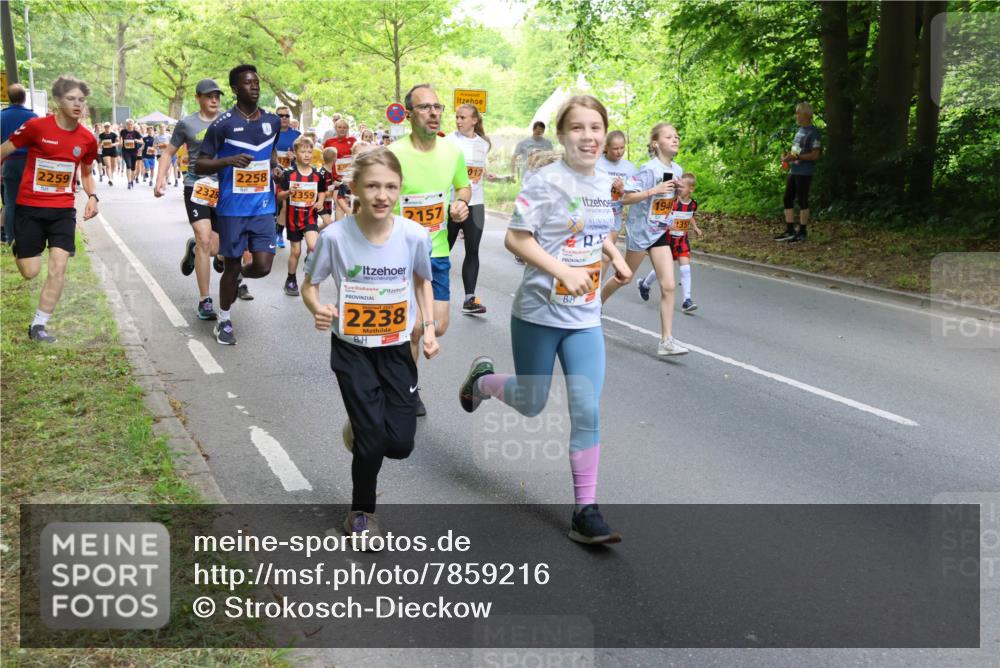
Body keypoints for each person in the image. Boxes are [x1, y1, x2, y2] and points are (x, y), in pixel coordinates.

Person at [459, 95, 631, 544]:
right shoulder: (546, 181)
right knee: (532, 403)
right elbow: (517, 240)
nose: (589, 136)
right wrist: (562, 270)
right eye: (578, 128)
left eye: (596, 127)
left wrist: (613, 255)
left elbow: (598, 228)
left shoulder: (609, 183)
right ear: (562, 134)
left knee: (587, 408)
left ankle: (585, 511)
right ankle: (481, 383)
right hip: (538, 310)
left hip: (585, 315)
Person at [302, 148, 437, 544]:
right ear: (355, 188)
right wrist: (318, 308)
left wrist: (427, 328)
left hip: (396, 349)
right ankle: (362, 513)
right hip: (352, 348)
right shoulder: (334, 237)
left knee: (399, 444)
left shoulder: (414, 235)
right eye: (373, 185)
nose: (382, 195)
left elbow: (421, 281)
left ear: (400, 189)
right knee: (374, 440)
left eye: (391, 186)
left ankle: (361, 430)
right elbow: (311, 285)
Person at [389, 83, 471, 416]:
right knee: (415, 328)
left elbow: (463, 186)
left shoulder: (452, 152)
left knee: (438, 323)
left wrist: (460, 204)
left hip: (436, 252)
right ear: (410, 113)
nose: (434, 113)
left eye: (437, 107)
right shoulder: (393, 154)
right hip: (397, 253)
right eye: (425, 107)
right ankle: (407, 388)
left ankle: (401, 376)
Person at [0, 75, 100, 342]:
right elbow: (5, 150)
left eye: (81, 99)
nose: (77, 104)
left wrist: (92, 196)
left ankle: (39, 326)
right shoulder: (35, 127)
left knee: (59, 265)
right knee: (30, 272)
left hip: (62, 210)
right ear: (57, 101)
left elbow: (87, 173)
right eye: (71, 99)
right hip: (30, 208)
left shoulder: (88, 139)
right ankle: (18, 246)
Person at [193, 64, 280, 346]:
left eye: (256, 82)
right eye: (247, 83)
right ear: (235, 88)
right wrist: (227, 161)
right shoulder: (223, 124)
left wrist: (275, 167)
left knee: (264, 266)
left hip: (264, 206)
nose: (254, 86)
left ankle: (238, 275)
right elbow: (201, 163)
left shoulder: (272, 121)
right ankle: (224, 320)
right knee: (231, 266)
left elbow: (271, 152)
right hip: (232, 208)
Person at [601, 122, 689, 356]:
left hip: (659, 232)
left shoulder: (677, 169)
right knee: (624, 277)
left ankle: (666, 341)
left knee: (669, 286)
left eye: (677, 136)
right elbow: (625, 199)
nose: (675, 139)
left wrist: (677, 193)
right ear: (655, 143)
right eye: (669, 136)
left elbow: (669, 201)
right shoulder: (648, 170)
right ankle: (594, 306)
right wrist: (654, 190)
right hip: (640, 232)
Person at [157, 78, 230, 320]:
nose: (214, 100)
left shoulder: (228, 121)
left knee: (217, 247)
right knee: (204, 239)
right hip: (196, 186)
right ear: (198, 97)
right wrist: (161, 179)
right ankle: (205, 300)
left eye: (217, 96)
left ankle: (194, 249)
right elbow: (169, 152)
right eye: (209, 96)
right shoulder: (187, 123)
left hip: (224, 188)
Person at [445, 103, 494, 316]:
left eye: (463, 117)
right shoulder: (448, 141)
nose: (458, 121)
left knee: (472, 250)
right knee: (441, 250)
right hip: (451, 203)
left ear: (474, 120)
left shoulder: (484, 144)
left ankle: (469, 299)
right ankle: (428, 291)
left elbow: (480, 171)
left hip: (476, 203)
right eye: (457, 117)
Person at [638, 173, 702, 312]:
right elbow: (661, 215)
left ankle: (687, 300)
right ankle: (645, 284)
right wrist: (668, 225)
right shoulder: (673, 202)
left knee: (685, 269)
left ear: (691, 189)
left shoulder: (693, 204)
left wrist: (695, 227)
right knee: (662, 269)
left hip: (682, 240)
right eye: (678, 186)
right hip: (668, 240)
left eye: (682, 187)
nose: (679, 188)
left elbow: (690, 216)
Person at [276, 135, 326, 296]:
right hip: (293, 219)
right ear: (295, 153)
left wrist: (320, 201)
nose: (307, 155)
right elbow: (279, 195)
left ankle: (310, 270)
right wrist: (288, 192)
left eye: (310, 151)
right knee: (295, 252)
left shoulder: (318, 174)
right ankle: (290, 279)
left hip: (310, 217)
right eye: (303, 151)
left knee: (313, 246)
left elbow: (323, 191)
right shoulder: (288, 174)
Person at [776, 102, 821, 243]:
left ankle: (802, 232)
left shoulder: (814, 132)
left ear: (806, 114)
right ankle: (790, 230)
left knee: (802, 200)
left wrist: (796, 157)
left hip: (805, 172)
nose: (796, 115)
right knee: (787, 199)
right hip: (794, 170)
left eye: (798, 112)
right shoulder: (799, 130)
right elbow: (795, 153)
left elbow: (815, 155)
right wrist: (787, 157)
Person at [595, 130, 636, 278]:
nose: (619, 152)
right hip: (595, 214)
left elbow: (632, 196)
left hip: (614, 216)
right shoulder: (596, 162)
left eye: (622, 148)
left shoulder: (629, 168)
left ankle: (595, 293)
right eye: (615, 148)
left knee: (606, 257)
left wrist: (622, 190)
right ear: (606, 147)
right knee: (594, 254)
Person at [1, 84, 39, 244]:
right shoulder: (33, 117)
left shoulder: (1, 117)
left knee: (10, 202)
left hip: (8, 162)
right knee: (32, 200)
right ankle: (30, 237)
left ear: (9, 98)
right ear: (24, 98)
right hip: (29, 163)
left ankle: (11, 238)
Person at [273, 105, 300, 249]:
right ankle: (270, 231)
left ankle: (279, 233)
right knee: (272, 205)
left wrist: (294, 157)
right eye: (280, 115)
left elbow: (303, 155)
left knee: (285, 204)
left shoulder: (296, 135)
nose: (284, 118)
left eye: (286, 116)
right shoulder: (270, 132)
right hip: (271, 174)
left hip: (288, 175)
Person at [119, 119, 143, 189]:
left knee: (133, 168)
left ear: (133, 125)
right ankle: (129, 182)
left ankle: (132, 180)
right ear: (126, 125)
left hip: (134, 152)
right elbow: (120, 138)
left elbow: (142, 141)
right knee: (128, 165)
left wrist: (136, 140)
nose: (130, 126)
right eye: (128, 124)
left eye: (131, 124)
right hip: (125, 151)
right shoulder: (123, 131)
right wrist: (120, 142)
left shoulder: (136, 133)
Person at [98, 122, 118, 186]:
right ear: (104, 127)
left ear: (110, 127)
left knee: (113, 166)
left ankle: (111, 175)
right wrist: (100, 145)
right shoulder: (101, 135)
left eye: (108, 126)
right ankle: (110, 179)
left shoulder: (114, 134)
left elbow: (118, 142)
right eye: (106, 126)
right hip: (105, 151)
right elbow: (99, 143)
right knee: (108, 166)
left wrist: (113, 144)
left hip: (113, 151)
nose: (107, 128)